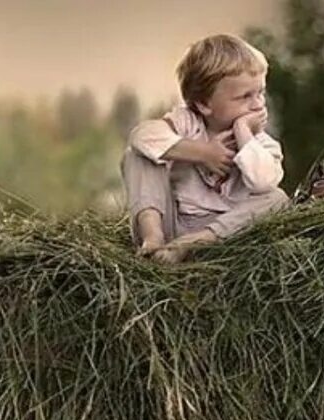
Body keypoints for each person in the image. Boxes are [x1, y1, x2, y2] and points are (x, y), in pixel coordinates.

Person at [123, 34, 290, 264]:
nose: (258, 104)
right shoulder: (187, 123)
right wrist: (204, 153)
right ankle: (152, 238)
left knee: (277, 199)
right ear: (204, 104)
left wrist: (243, 132)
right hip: (175, 225)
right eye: (245, 97)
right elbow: (140, 136)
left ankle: (195, 243)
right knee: (137, 156)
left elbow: (264, 183)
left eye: (260, 92)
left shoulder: (261, 143)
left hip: (226, 233)